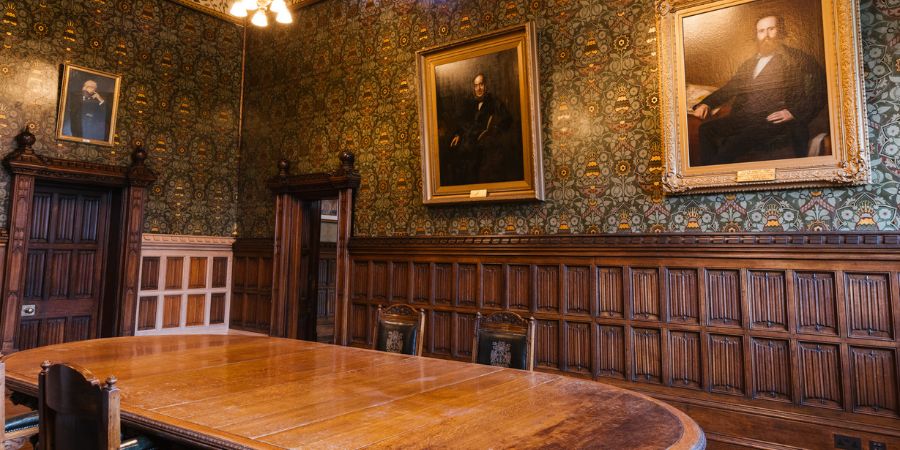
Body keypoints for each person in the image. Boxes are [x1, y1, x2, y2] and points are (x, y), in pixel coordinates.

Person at [690, 15, 827, 166]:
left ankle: (712, 179)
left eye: (771, 29)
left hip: (775, 121)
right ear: (756, 35)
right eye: (761, 31)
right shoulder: (750, 64)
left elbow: (819, 93)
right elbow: (730, 88)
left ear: (781, 31)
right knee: (706, 130)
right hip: (746, 118)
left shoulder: (800, 59)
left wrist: (793, 112)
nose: (766, 35)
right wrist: (706, 103)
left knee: (730, 147)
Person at [440, 73, 522, 186]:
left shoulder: (494, 102)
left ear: (486, 85)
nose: (478, 88)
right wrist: (458, 134)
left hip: (486, 146)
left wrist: (493, 130)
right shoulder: (471, 104)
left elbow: (507, 119)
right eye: (476, 85)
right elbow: (463, 122)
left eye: (481, 84)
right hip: (469, 143)